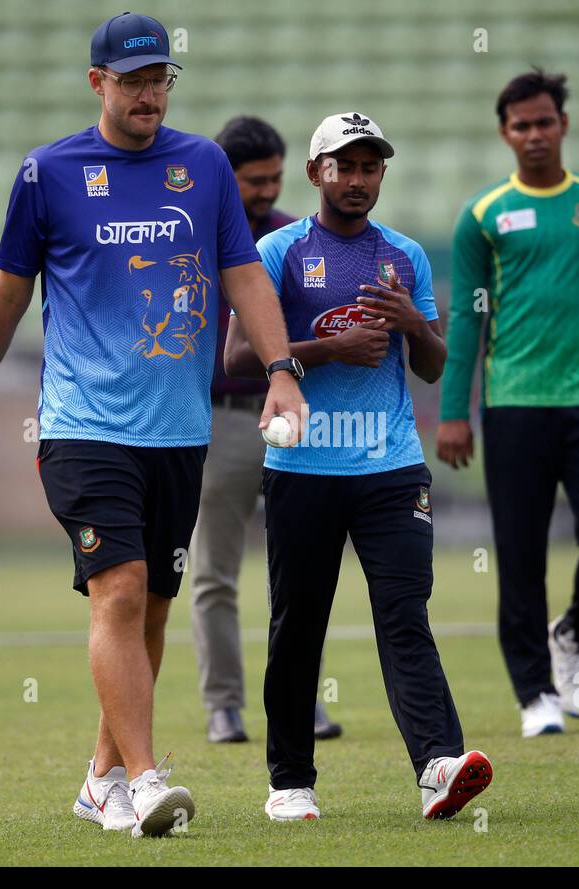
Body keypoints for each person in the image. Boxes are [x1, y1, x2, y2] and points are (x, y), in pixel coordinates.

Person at [0, 13, 305, 837]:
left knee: (153, 612)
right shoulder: (49, 174)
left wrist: (283, 371)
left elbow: (243, 272)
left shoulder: (205, 165)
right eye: (133, 79)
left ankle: (99, 777)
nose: (149, 94)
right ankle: (142, 783)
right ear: (97, 82)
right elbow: (6, 293)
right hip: (83, 427)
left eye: (161, 79)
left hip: (179, 431)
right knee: (121, 589)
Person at [225, 111, 492, 822]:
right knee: (298, 623)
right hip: (303, 466)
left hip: (392, 469)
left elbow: (435, 370)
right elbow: (238, 359)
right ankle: (290, 784)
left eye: (370, 166)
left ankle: (439, 765)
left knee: (405, 616)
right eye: (342, 166)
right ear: (316, 174)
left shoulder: (405, 256)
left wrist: (415, 325)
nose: (356, 179)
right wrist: (323, 350)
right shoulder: (278, 252)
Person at [438, 70, 579, 737]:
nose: (534, 134)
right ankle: (534, 691)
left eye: (545, 122)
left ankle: (572, 631)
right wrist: (456, 411)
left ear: (563, 124)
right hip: (511, 406)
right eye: (521, 125)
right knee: (519, 552)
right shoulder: (482, 215)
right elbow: (466, 321)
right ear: (504, 132)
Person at [188, 116, 342, 744]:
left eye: (277, 178)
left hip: (288, 416)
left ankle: (303, 702)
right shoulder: (191, 237)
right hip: (220, 422)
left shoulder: (292, 238)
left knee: (300, 569)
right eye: (256, 181)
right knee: (213, 573)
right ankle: (223, 704)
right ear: (226, 176)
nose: (269, 191)